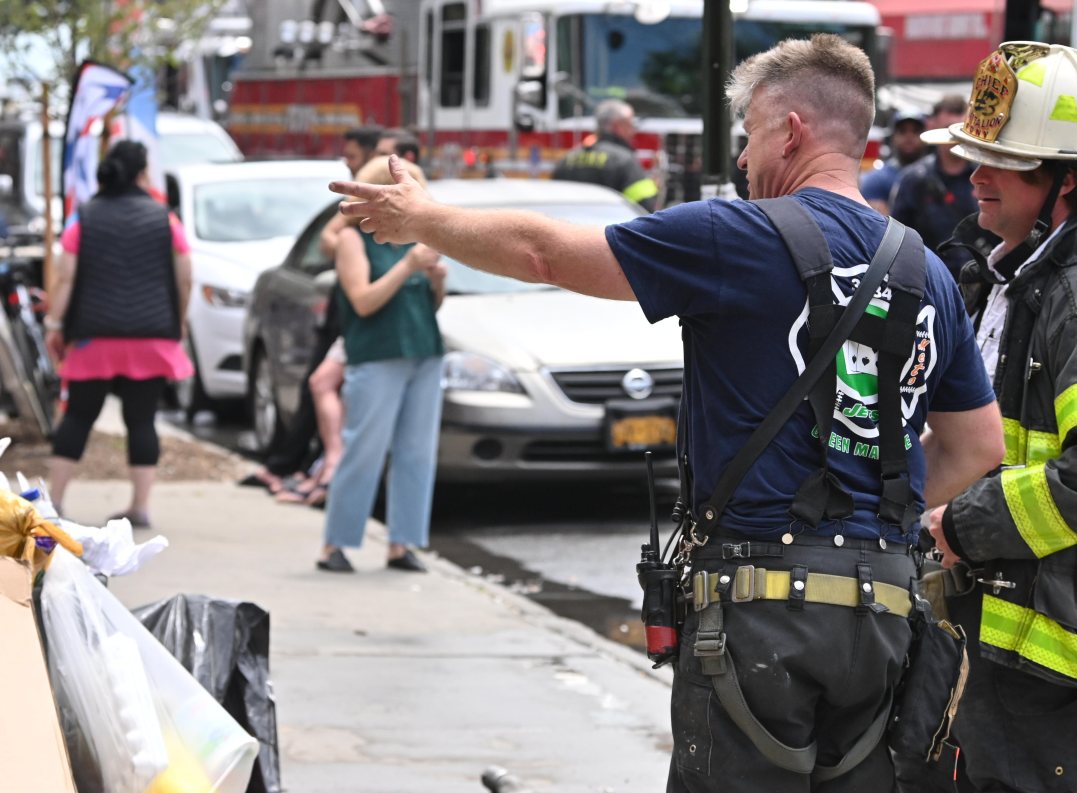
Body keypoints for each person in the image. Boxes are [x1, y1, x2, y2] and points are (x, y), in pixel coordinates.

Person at [332, 35, 1003, 790]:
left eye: (749, 134)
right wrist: (878, 521)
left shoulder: (739, 235)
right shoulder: (928, 271)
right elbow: (978, 444)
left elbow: (546, 255)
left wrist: (424, 217)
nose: (744, 161)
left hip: (761, 616)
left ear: (791, 130)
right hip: (884, 617)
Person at [910, 42, 1077, 792]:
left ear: (1067, 180)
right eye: (975, 154)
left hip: (1044, 641)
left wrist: (964, 522)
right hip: (990, 623)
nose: (976, 174)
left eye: (1004, 160)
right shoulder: (1008, 279)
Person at [42, 141, 193, 528]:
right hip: (151, 338)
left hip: (94, 337)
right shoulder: (166, 219)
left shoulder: (84, 218)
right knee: (142, 421)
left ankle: (55, 501)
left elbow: (65, 276)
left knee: (77, 417)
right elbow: (185, 276)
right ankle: (140, 507)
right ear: (143, 173)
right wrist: (178, 319)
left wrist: (56, 324)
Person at [317, 156, 447, 574]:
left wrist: (436, 281)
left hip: (423, 351)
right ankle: (335, 544)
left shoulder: (414, 236)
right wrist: (409, 266)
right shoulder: (354, 240)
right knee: (364, 449)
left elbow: (429, 305)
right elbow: (362, 300)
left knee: (417, 453)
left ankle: (402, 542)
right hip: (376, 352)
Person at [890, 94, 978, 275]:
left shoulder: (983, 176)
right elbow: (897, 240)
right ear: (933, 126)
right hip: (931, 283)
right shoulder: (914, 179)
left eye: (961, 128)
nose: (954, 136)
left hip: (980, 285)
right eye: (948, 129)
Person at [552, 99, 660, 212]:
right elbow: (646, 206)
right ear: (618, 126)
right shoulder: (624, 161)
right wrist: (654, 186)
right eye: (630, 125)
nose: (633, 131)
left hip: (571, 226)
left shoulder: (567, 159)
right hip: (607, 227)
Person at [860, 108, 926, 215]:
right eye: (903, 131)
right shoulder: (877, 179)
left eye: (915, 131)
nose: (909, 137)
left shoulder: (935, 175)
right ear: (893, 136)